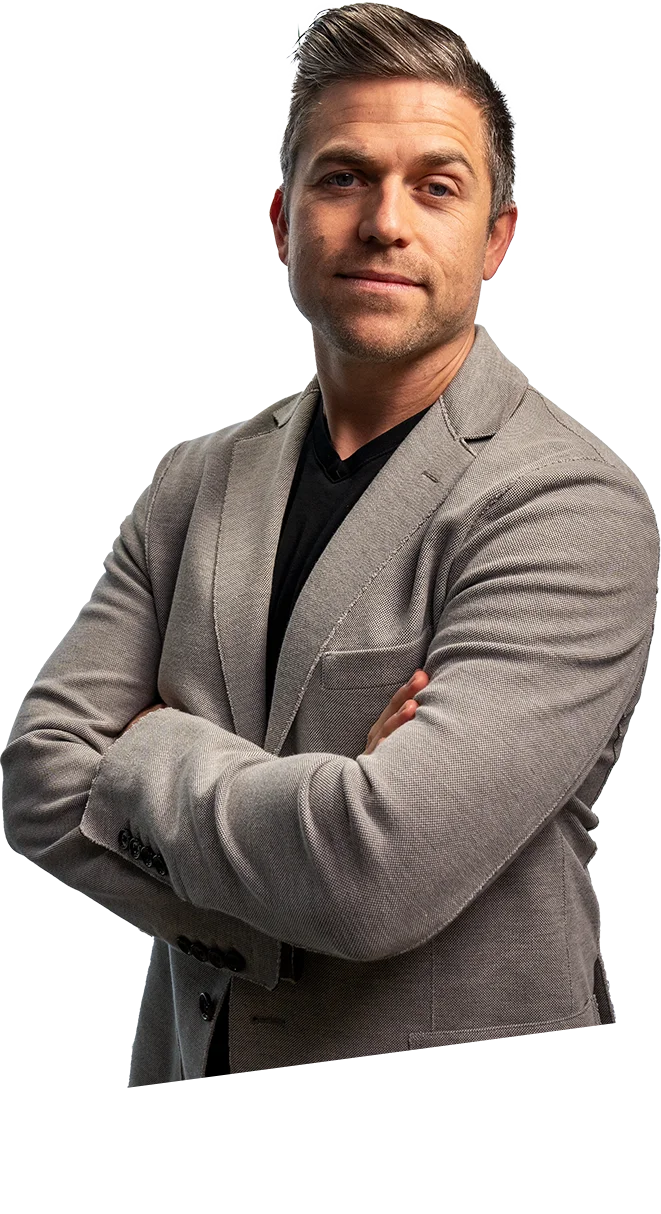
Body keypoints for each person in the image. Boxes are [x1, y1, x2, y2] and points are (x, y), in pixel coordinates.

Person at [1, 4, 658, 1086]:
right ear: (281, 219)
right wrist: (320, 809)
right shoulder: (194, 481)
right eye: (343, 177)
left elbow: (373, 873)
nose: (384, 222)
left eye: (435, 187)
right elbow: (37, 779)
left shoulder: (564, 504)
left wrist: (145, 750)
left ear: (497, 239)